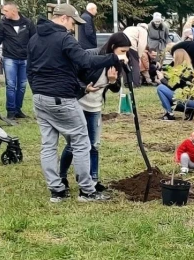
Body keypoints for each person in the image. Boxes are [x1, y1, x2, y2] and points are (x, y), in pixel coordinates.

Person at [27, 3, 123, 202]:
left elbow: (30, 69)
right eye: (73, 23)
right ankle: (87, 191)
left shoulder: (34, 38)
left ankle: (57, 191)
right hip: (62, 99)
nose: (73, 27)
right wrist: (113, 58)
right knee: (82, 142)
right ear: (64, 18)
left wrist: (38, 91)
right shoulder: (64, 38)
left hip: (39, 98)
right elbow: (85, 62)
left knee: (48, 145)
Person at [58, 33, 129, 195]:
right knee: (73, 144)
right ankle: (61, 176)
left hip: (95, 108)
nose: (125, 55)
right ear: (113, 47)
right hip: (79, 104)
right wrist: (84, 87)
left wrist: (112, 81)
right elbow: (72, 74)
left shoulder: (117, 63)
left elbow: (117, 88)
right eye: (123, 50)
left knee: (94, 145)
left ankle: (93, 180)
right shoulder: (91, 55)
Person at [0, 2, 35, 119]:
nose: (3, 13)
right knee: (11, 85)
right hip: (9, 58)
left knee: (22, 85)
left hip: (25, 59)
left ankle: (18, 110)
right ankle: (11, 111)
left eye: (5, 11)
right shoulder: (2, 24)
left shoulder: (28, 23)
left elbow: (35, 40)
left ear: (14, 11)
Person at [158, 48, 194, 120]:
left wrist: (162, 79)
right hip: (193, 101)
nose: (173, 60)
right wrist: (166, 76)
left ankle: (169, 114)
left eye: (174, 58)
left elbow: (172, 87)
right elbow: (177, 84)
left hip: (188, 100)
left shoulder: (183, 71)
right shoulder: (189, 69)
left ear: (178, 58)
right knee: (165, 99)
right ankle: (188, 111)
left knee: (160, 88)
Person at [123, 23, 148, 87]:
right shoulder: (143, 31)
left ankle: (126, 83)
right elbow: (142, 44)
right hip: (131, 45)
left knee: (125, 63)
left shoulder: (130, 28)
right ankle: (135, 83)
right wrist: (139, 56)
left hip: (122, 45)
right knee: (135, 65)